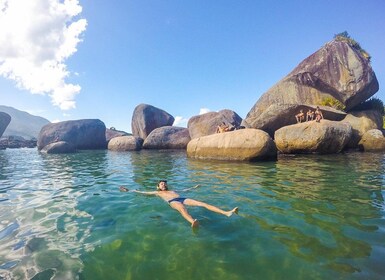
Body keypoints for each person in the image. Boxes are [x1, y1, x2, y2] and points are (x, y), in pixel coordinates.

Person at [120, 180, 238, 228]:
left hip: (182, 198)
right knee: (182, 209)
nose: (163, 185)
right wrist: (129, 190)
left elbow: (186, 190)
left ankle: (226, 212)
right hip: (173, 202)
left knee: (202, 203)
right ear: (158, 186)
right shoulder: (156, 192)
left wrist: (195, 187)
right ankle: (193, 222)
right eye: (161, 184)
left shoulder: (173, 190)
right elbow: (143, 192)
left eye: (164, 184)